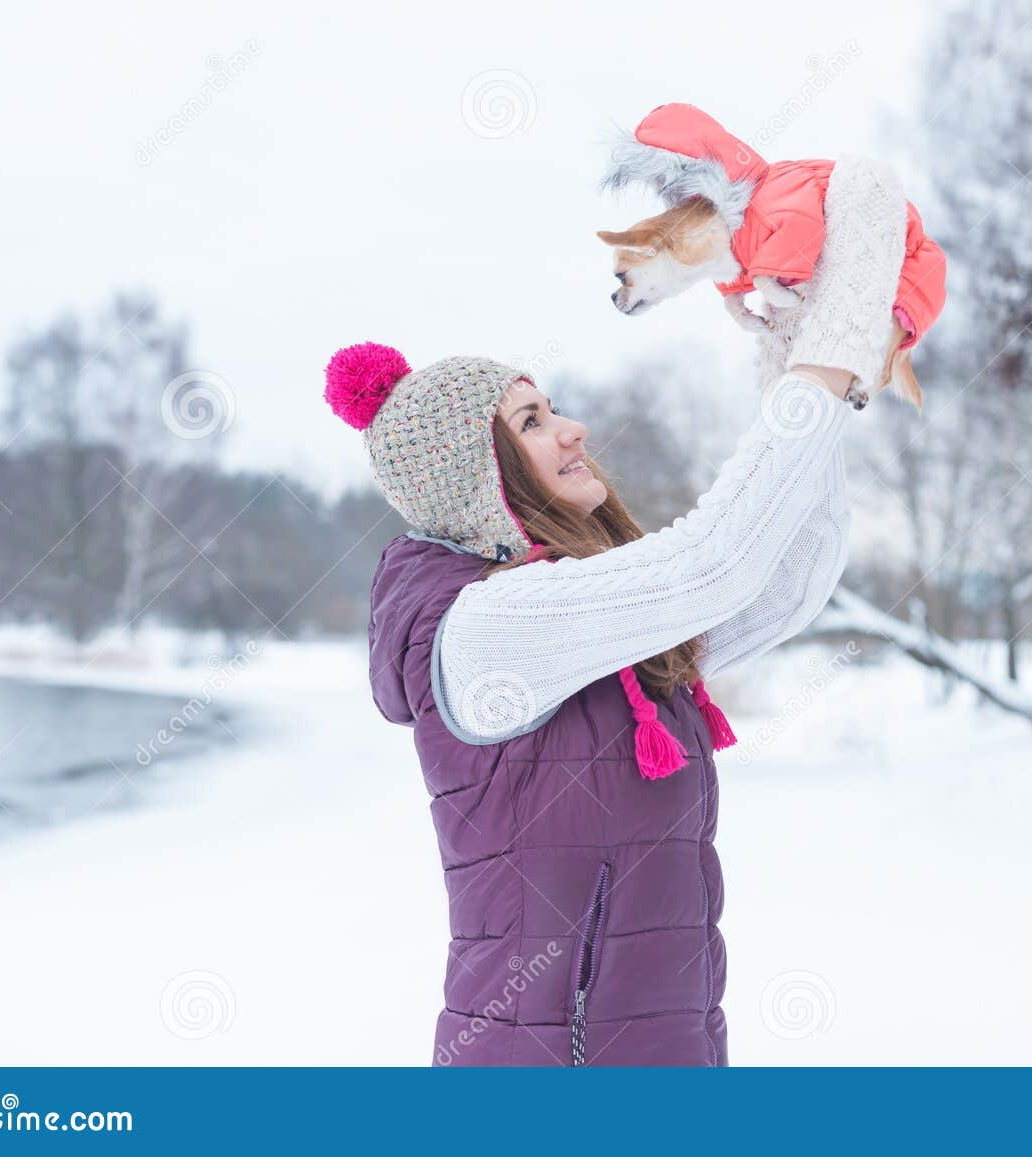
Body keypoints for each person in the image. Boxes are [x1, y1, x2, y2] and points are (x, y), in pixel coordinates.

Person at [327, 156, 909, 1066]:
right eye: (529, 422)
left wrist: (796, 355)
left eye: (553, 408)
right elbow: (711, 562)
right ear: (472, 479)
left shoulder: (594, 633)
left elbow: (784, 576)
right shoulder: (489, 632)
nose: (572, 429)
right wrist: (834, 343)